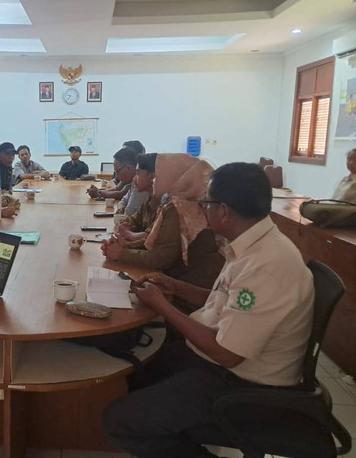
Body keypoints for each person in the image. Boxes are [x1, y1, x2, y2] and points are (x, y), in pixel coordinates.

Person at [103, 162, 314, 458]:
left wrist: (162, 305)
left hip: (243, 385)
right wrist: (177, 287)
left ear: (224, 211)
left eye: (207, 204)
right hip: (218, 362)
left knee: (118, 421)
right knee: (135, 371)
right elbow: (225, 301)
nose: (202, 209)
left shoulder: (266, 265)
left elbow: (227, 353)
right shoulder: (250, 244)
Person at [102, 153, 223, 289]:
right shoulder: (181, 203)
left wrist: (121, 253)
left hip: (191, 288)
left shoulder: (180, 208)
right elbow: (160, 242)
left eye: (158, 176)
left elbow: (161, 258)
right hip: (188, 284)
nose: (154, 180)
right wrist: (126, 246)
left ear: (174, 177)